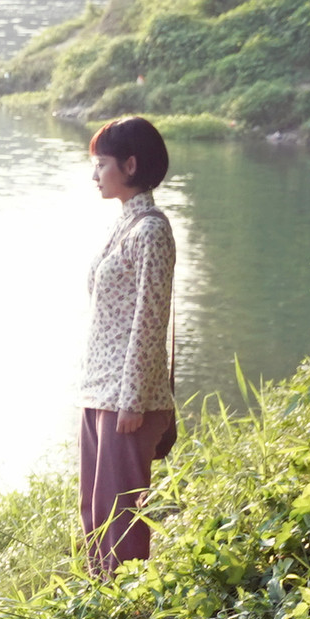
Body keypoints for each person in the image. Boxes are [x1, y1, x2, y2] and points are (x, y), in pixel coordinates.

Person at [78, 116, 180, 574]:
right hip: (100, 391)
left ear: (131, 165)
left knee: (121, 519)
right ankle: (97, 601)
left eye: (101, 164)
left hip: (127, 399)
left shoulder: (152, 231)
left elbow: (150, 319)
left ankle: (126, 616)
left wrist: (134, 399)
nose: (95, 174)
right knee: (95, 512)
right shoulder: (125, 226)